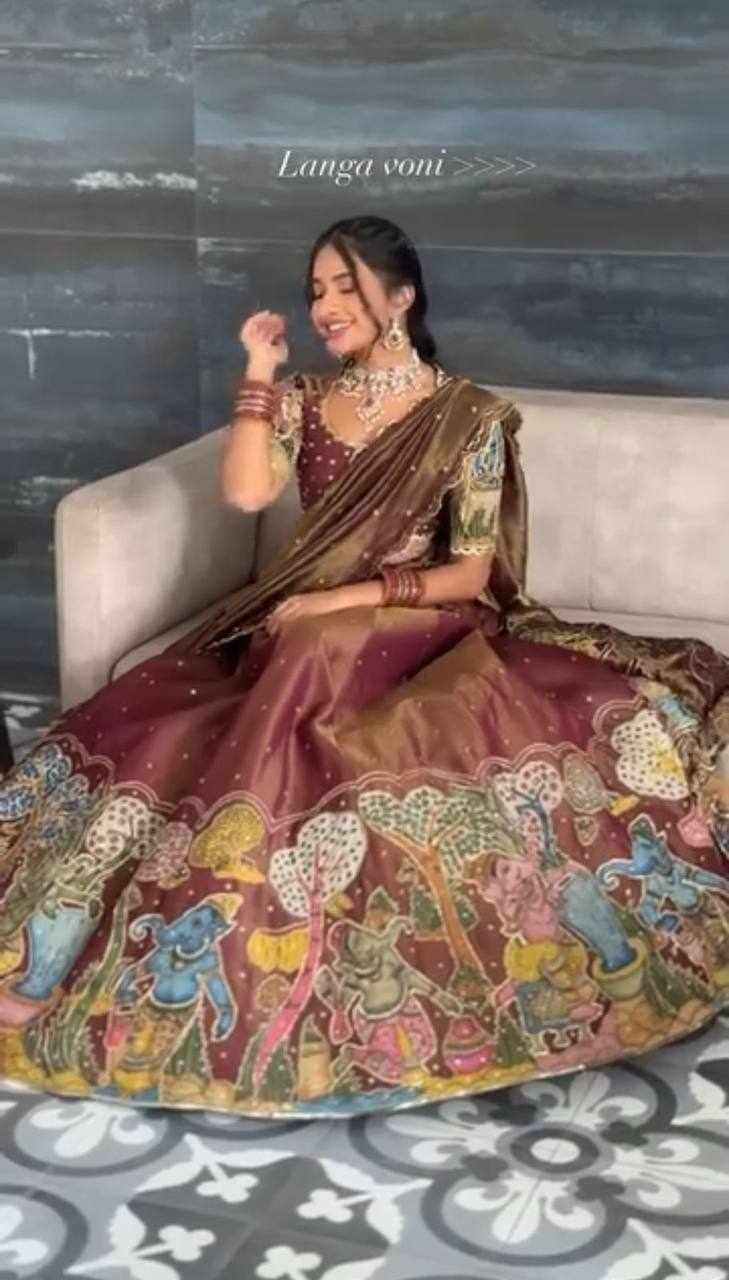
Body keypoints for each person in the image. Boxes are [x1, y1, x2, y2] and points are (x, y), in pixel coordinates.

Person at [0, 215, 728, 1120]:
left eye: (346, 286)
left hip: (421, 621)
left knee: (314, 645)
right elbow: (246, 492)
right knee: (190, 705)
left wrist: (342, 601)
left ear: (402, 297)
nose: (325, 305)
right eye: (315, 290)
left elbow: (470, 574)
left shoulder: (466, 417)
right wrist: (258, 372)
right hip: (301, 626)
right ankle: (64, 947)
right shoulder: (304, 399)